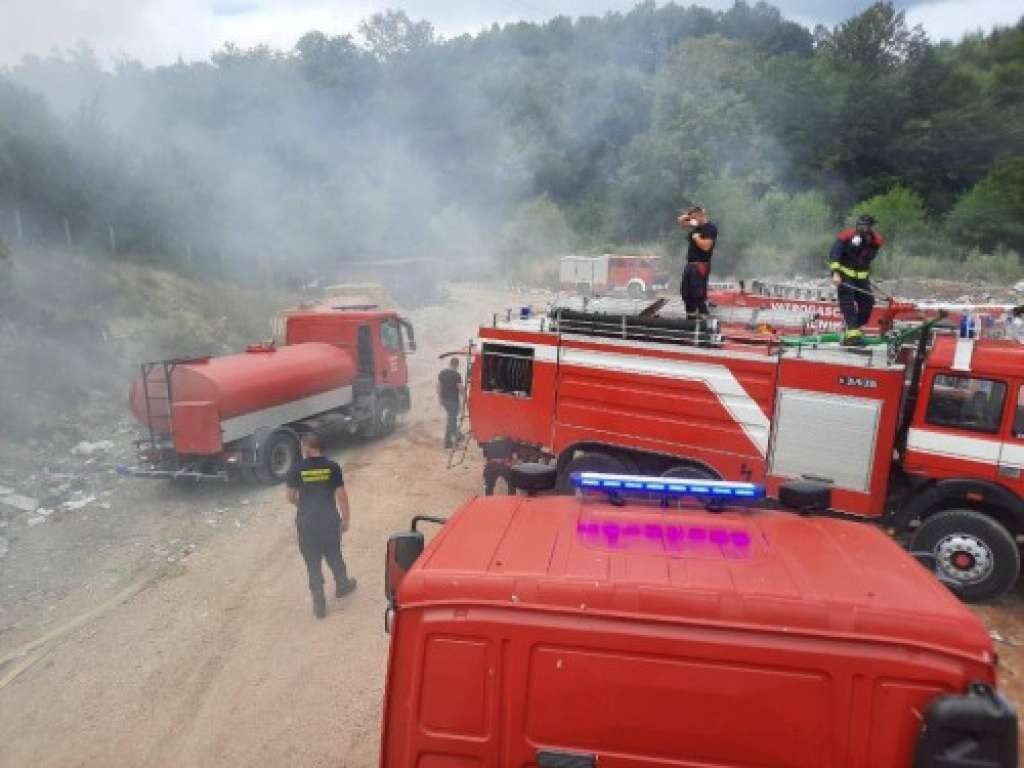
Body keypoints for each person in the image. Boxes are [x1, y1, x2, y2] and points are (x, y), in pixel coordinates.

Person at [285, 432, 356, 619]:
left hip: (307, 525)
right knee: (334, 555)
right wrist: (346, 519)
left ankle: (319, 605)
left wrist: (303, 505)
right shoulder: (332, 467)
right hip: (329, 522)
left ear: (307, 447)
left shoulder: (296, 469)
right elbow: (342, 496)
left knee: (312, 564)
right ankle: (342, 586)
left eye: (302, 448)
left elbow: (290, 497)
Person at [829, 214, 885, 346]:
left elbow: (866, 258)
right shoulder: (846, 236)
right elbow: (834, 254)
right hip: (844, 275)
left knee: (868, 302)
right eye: (860, 225)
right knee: (847, 300)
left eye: (866, 226)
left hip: (862, 277)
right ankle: (853, 334)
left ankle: (853, 328)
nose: (862, 228)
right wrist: (835, 273)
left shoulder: (875, 241)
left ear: (871, 227)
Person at [677, 205, 717, 316]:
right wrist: (689, 216)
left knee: (698, 295)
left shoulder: (710, 228)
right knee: (686, 294)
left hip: (700, 266)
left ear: (701, 215)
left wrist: (696, 238)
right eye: (692, 218)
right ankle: (691, 319)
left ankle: (704, 322)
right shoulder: (696, 226)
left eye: (695, 218)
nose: (692, 221)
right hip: (690, 264)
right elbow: (680, 221)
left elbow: (706, 246)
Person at [438, 357, 463, 449]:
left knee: (451, 419)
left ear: (450, 363)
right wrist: (465, 398)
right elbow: (460, 388)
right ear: (457, 365)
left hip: (445, 400)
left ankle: (458, 435)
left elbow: (439, 387)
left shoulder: (442, 373)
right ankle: (448, 442)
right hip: (453, 401)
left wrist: (440, 398)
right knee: (451, 421)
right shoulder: (456, 375)